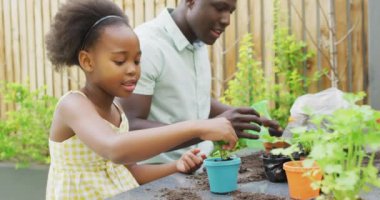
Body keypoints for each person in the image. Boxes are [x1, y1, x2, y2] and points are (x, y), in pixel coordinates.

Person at [44, 0, 238, 199]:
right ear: (87, 61)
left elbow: (131, 172)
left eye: (137, 61)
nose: (132, 70)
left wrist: (175, 166)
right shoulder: (73, 105)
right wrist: (198, 127)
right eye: (120, 61)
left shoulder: (117, 112)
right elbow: (114, 148)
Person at [117, 0, 282, 164]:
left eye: (230, 12)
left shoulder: (196, 40)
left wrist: (244, 120)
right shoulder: (148, 46)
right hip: (156, 177)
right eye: (219, 8)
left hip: (200, 169)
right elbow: (131, 126)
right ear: (191, 1)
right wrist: (206, 129)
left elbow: (192, 99)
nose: (227, 20)